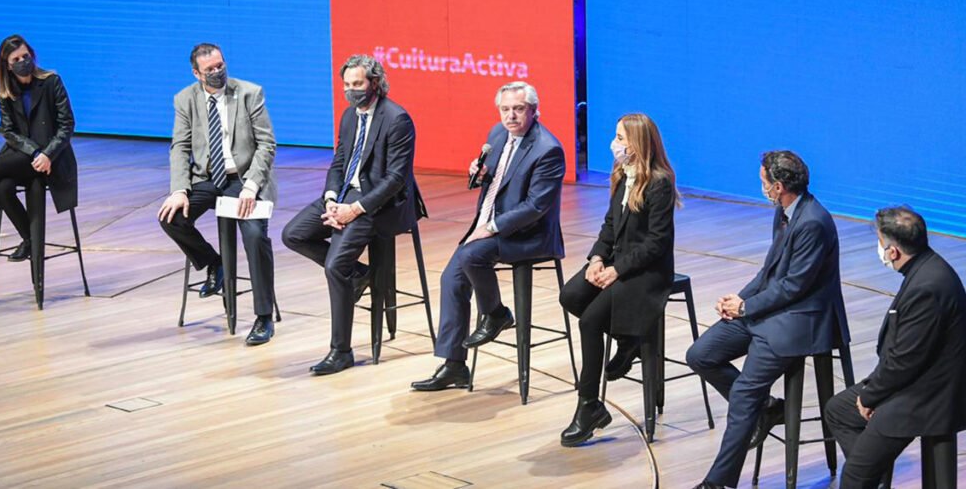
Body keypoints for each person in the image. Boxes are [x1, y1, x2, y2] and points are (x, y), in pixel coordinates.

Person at [687, 150, 850, 489]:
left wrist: (747, 308)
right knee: (701, 354)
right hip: (769, 310)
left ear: (778, 187)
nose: (760, 186)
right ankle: (767, 409)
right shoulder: (784, 212)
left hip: (799, 319)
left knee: (743, 393)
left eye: (763, 181)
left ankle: (719, 482)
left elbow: (794, 286)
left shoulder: (813, 222)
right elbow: (770, 271)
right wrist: (739, 300)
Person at [411, 81, 565, 392]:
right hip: (490, 226)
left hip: (529, 235)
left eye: (518, 109)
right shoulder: (497, 134)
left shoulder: (547, 149)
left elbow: (535, 206)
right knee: (451, 279)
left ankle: (496, 314)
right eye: (505, 109)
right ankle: (455, 365)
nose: (511, 116)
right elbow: (496, 182)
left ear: (534, 111)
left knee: (471, 256)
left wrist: (491, 227)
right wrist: (479, 174)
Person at [282, 54, 424, 375]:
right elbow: (339, 162)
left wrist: (355, 209)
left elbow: (395, 179)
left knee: (335, 266)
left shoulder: (397, 119)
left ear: (375, 82)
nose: (350, 91)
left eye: (357, 84)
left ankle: (341, 351)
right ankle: (361, 275)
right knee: (294, 234)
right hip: (345, 195)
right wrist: (332, 199)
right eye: (346, 85)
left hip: (381, 204)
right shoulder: (349, 116)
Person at [558, 112, 681, 446]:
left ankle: (589, 405)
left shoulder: (659, 183)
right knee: (571, 295)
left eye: (621, 138)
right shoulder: (622, 174)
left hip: (647, 271)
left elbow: (656, 243)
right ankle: (628, 339)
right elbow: (610, 225)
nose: (615, 144)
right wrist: (597, 259)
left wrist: (617, 270)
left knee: (590, 323)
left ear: (638, 143)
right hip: (617, 261)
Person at [824, 206, 966, 489]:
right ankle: (874, 474)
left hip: (924, 397)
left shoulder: (927, 288)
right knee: (838, 410)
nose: (877, 248)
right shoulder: (926, 268)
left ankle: (866, 474)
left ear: (893, 252)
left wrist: (870, 396)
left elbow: (905, 361)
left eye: (879, 241)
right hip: (914, 381)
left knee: (853, 478)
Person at [158, 43, 278, 346]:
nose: (217, 72)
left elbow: (267, 144)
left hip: (243, 179)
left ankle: (263, 317)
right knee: (171, 217)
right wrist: (178, 190)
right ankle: (215, 263)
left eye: (220, 65)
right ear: (196, 73)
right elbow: (180, 147)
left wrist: (251, 186)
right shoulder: (185, 99)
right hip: (207, 179)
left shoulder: (249, 93)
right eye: (210, 69)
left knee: (254, 235)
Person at [0, 35, 77, 264]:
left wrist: (47, 154)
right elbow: (8, 131)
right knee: (3, 188)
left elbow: (67, 124)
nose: (22, 62)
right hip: (27, 155)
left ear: (32, 55)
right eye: (16, 59)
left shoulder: (51, 81)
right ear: (7, 65)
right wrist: (35, 152)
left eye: (25, 56)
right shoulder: (6, 91)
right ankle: (29, 241)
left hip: (53, 158)